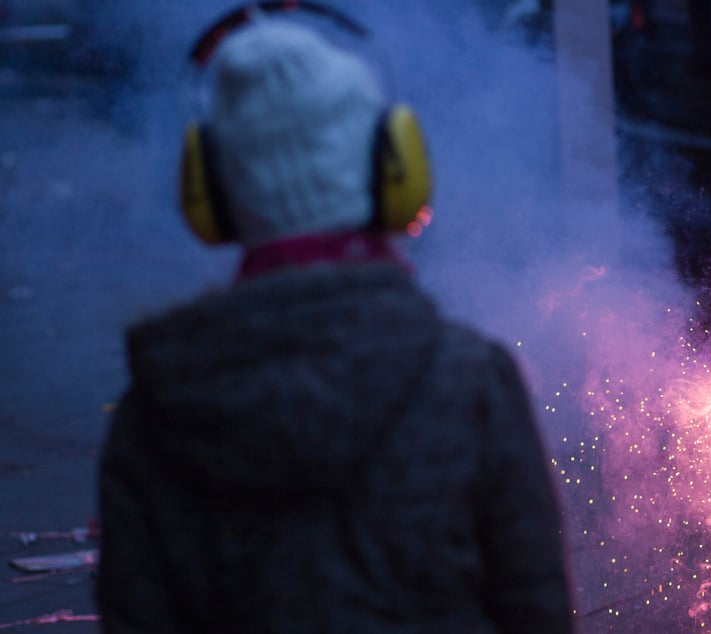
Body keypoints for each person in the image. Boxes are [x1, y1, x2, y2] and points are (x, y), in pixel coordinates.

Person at [95, 11, 574, 634]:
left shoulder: (154, 414)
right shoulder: (472, 385)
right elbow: (536, 616)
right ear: (391, 169)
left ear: (210, 190)